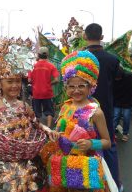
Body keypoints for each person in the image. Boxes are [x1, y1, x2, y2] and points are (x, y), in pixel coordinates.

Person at [0, 38, 56, 191]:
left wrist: (48, 130)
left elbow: (36, 123)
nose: (15, 85)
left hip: (24, 160)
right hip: (1, 162)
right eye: (9, 81)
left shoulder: (24, 105)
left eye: (17, 81)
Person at [41, 50, 112, 192]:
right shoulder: (65, 107)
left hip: (86, 164)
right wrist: (55, 134)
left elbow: (107, 142)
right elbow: (60, 130)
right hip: (62, 162)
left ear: (91, 86)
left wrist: (91, 143)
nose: (76, 90)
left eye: (81, 86)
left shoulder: (96, 112)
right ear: (66, 87)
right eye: (71, 86)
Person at [84, 23, 122, 189]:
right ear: (102, 37)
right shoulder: (113, 59)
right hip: (105, 109)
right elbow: (119, 79)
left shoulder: (78, 58)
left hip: (81, 109)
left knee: (83, 146)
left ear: (85, 36)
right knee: (109, 146)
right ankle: (114, 184)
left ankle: (85, 183)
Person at [28, 46, 59, 127]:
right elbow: (56, 80)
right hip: (47, 92)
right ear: (47, 55)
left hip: (36, 92)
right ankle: (48, 128)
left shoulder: (32, 66)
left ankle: (38, 128)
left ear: (38, 55)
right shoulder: (51, 66)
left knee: (36, 112)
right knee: (49, 111)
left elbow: (29, 80)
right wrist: (49, 83)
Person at [113, 67, 132, 142]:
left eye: (118, 78)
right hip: (117, 101)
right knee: (115, 116)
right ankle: (111, 133)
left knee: (126, 117)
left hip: (128, 101)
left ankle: (125, 133)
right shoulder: (113, 78)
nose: (117, 79)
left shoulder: (131, 78)